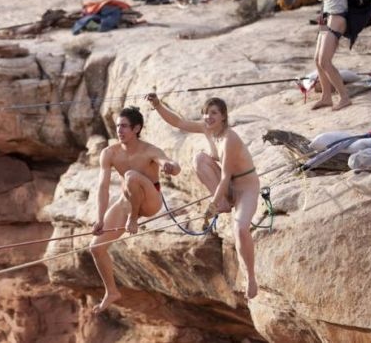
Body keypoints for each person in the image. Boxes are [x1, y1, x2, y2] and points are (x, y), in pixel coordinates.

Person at [145, 94, 259, 299]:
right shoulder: (208, 129)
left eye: (214, 113)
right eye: (206, 113)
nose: (208, 117)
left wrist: (212, 206)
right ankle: (225, 203)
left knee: (240, 228)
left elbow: (225, 177)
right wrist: (157, 105)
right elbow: (178, 122)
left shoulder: (229, 138)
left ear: (223, 116)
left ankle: (250, 277)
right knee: (199, 158)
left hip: (246, 187)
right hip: (228, 186)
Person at [90, 106, 181, 313]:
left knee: (131, 176)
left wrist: (170, 167)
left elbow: (171, 165)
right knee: (95, 248)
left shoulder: (149, 150)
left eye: (124, 127)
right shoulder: (109, 153)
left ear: (136, 128)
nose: (119, 131)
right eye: (117, 126)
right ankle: (111, 291)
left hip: (149, 201)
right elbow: (103, 187)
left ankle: (133, 219)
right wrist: (99, 219)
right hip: (126, 201)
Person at [298, 0, 359, 111]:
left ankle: (344, 97)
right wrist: (322, 15)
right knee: (317, 60)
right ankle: (326, 97)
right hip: (329, 17)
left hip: (337, 18)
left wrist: (356, 0)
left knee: (325, 61)